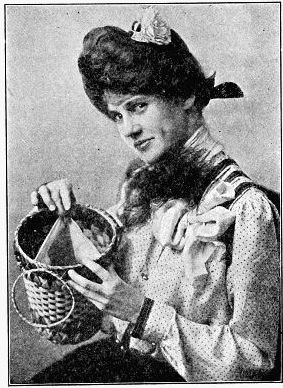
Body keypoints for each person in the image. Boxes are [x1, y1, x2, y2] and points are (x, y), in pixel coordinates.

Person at [28, 7, 280, 383]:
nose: (128, 129)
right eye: (117, 115)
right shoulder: (142, 188)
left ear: (186, 97)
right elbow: (73, 319)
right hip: (120, 367)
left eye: (138, 106)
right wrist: (60, 219)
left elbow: (253, 363)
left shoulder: (246, 210)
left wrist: (142, 313)